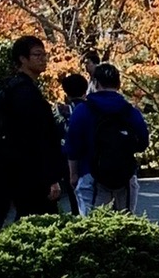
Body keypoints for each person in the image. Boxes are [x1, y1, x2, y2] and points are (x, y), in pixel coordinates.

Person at [0, 36, 65, 233]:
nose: (43, 59)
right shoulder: (26, 94)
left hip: (5, 167)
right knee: (38, 223)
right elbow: (37, 137)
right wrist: (50, 176)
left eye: (44, 55)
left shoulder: (10, 88)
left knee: (1, 216)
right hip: (27, 171)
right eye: (37, 55)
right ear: (22, 59)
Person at [64, 62, 149, 213]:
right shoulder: (129, 110)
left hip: (90, 174)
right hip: (125, 176)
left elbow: (73, 146)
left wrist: (73, 175)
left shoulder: (83, 110)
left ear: (95, 83)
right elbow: (143, 143)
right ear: (119, 83)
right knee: (126, 226)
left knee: (92, 228)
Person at [57, 72, 89, 213]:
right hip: (90, 159)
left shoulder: (61, 112)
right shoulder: (91, 109)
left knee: (74, 199)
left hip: (66, 159)